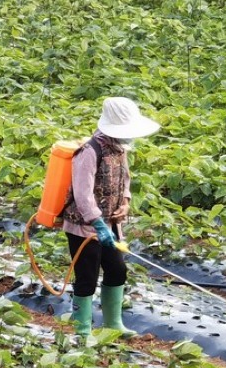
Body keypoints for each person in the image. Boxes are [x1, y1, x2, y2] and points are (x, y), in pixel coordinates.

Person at [62, 97, 160, 336]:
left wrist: (125, 202)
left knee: (117, 270)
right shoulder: (89, 152)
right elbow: (83, 194)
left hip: (110, 224)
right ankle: (82, 331)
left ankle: (112, 324)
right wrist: (97, 223)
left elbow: (125, 179)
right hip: (83, 227)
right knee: (87, 276)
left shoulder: (119, 149)